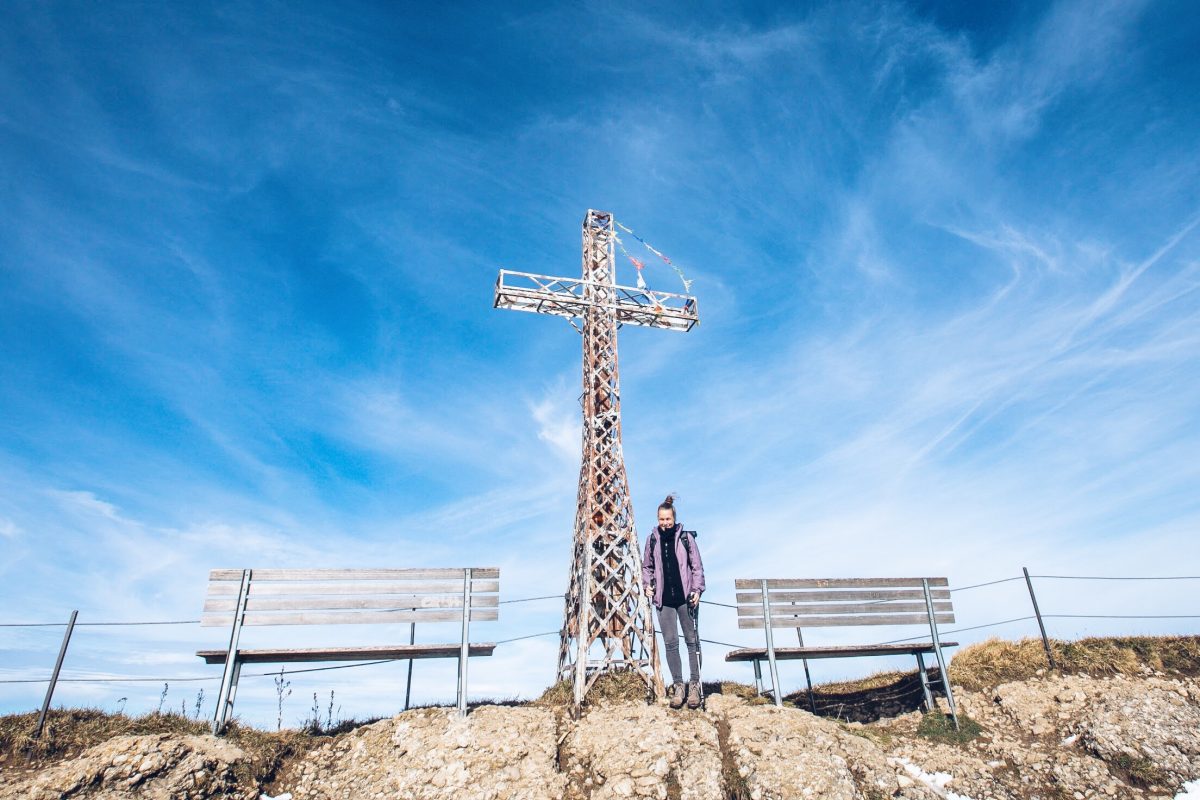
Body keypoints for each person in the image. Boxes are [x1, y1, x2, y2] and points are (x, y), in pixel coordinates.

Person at [641, 494, 706, 709]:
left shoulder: (686, 538)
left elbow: (697, 567)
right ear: (657, 519)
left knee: (691, 642)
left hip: (685, 598)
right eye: (661, 519)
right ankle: (679, 686)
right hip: (664, 600)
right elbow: (647, 567)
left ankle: (694, 685)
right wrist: (647, 584)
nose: (665, 523)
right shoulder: (652, 540)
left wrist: (697, 590)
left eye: (668, 519)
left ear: (674, 518)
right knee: (670, 643)